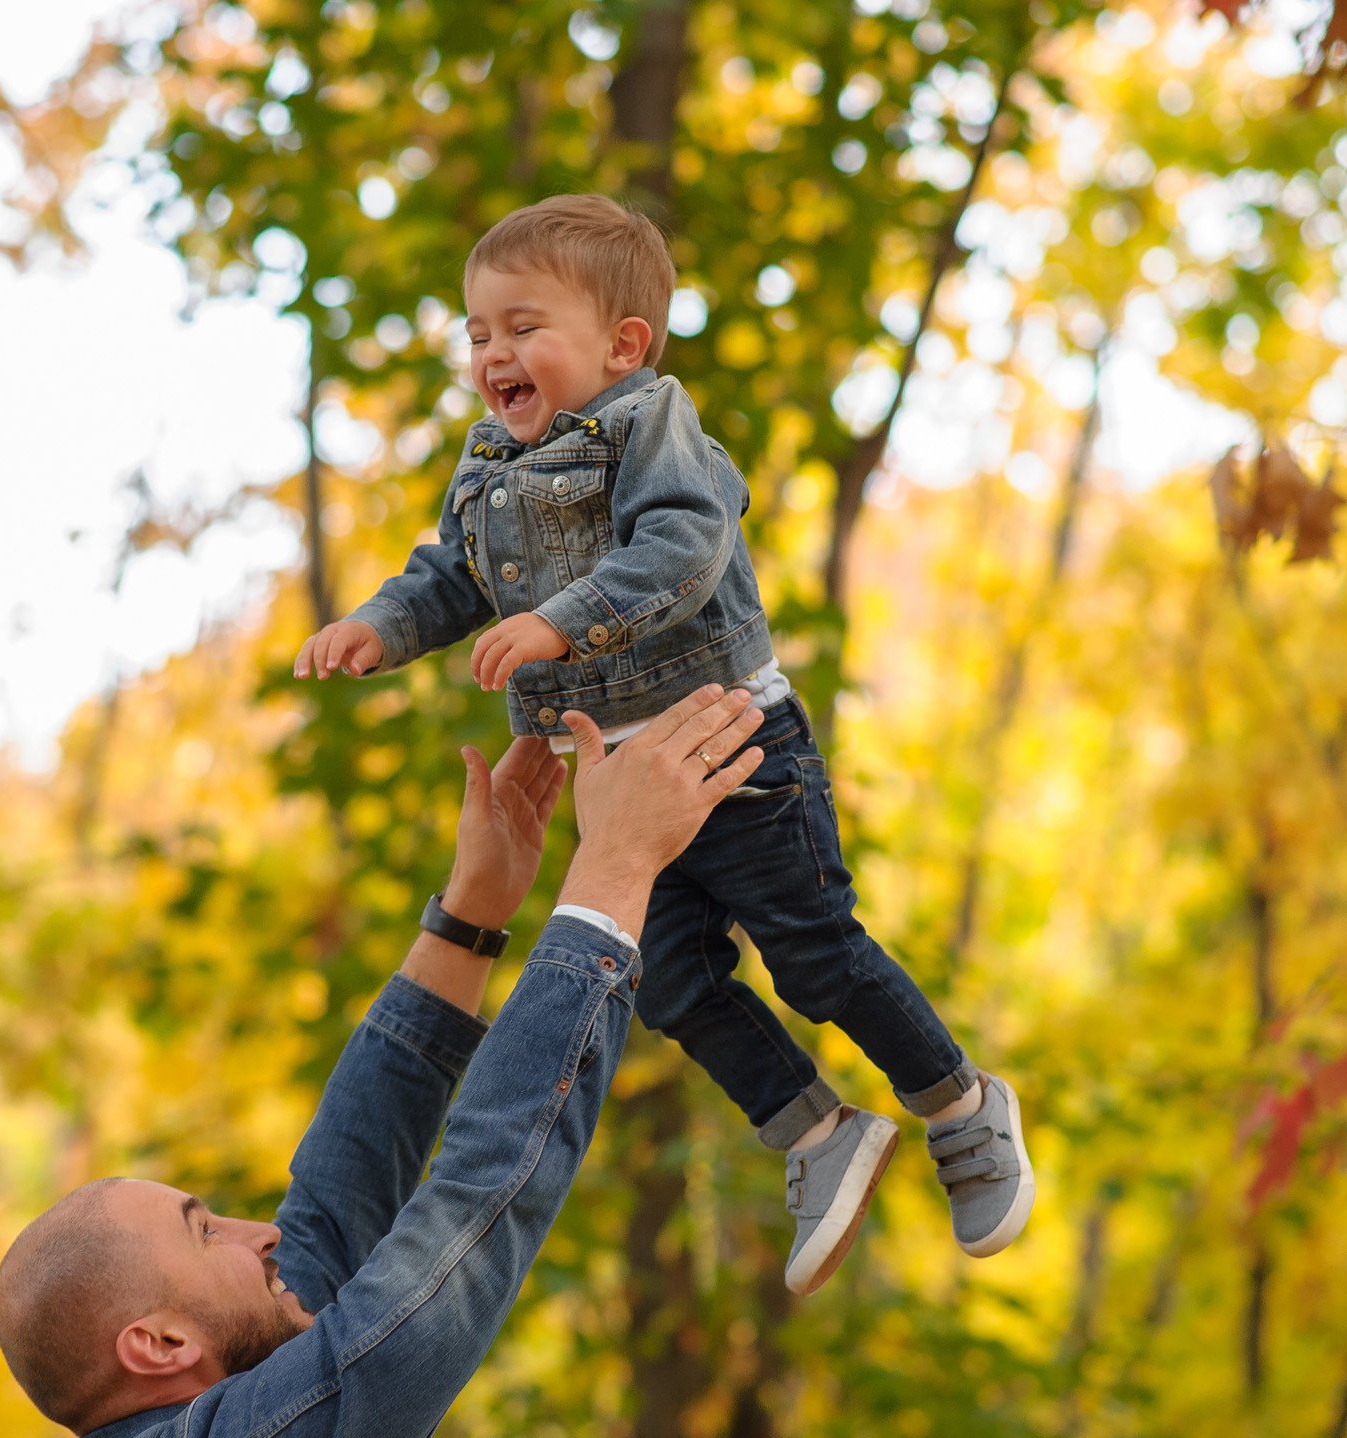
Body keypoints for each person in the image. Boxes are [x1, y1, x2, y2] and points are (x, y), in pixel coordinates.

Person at [294, 194, 1034, 1294]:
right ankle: (816, 1134)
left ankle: (962, 1106)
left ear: (621, 344)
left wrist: (560, 621)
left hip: (728, 747)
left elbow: (686, 546)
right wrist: (381, 627)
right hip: (621, 783)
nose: (493, 352)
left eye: (521, 326)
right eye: (477, 333)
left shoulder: (650, 424)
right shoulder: (487, 462)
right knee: (670, 982)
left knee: (813, 953)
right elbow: (449, 575)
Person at [0, 684, 768, 1438]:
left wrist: (469, 918)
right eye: (206, 1235)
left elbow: (332, 1210)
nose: (259, 1233)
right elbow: (474, 1204)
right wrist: (617, 862)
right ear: (160, 1346)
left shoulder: (228, 1392)